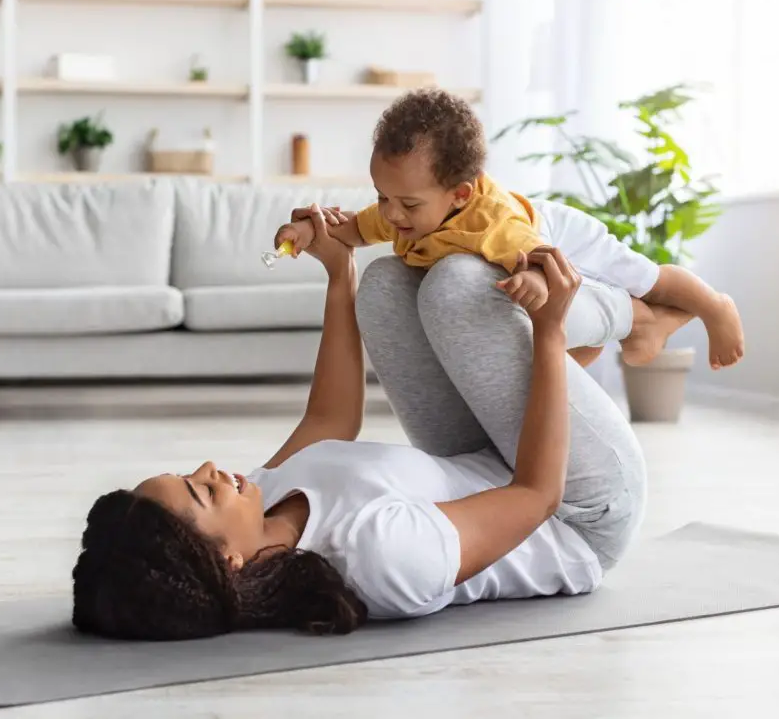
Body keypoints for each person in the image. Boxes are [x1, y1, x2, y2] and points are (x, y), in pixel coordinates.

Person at [71, 204, 651, 640]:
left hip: (490, 458)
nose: (209, 468)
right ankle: (643, 316)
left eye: (189, 472)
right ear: (228, 562)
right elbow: (537, 494)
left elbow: (330, 416)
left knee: (384, 287)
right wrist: (548, 332)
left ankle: (587, 347)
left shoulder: (263, 503)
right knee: (456, 290)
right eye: (200, 491)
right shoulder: (379, 557)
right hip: (581, 514)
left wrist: (338, 271)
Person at [275, 87, 744, 370]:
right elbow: (355, 231)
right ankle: (640, 330)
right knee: (548, 360)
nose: (391, 215)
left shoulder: (492, 225)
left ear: (459, 195)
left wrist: (534, 277)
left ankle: (711, 305)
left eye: (408, 204)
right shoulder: (402, 212)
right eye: (382, 197)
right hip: (524, 238)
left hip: (554, 232)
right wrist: (312, 233)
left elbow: (539, 255)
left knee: (641, 276)